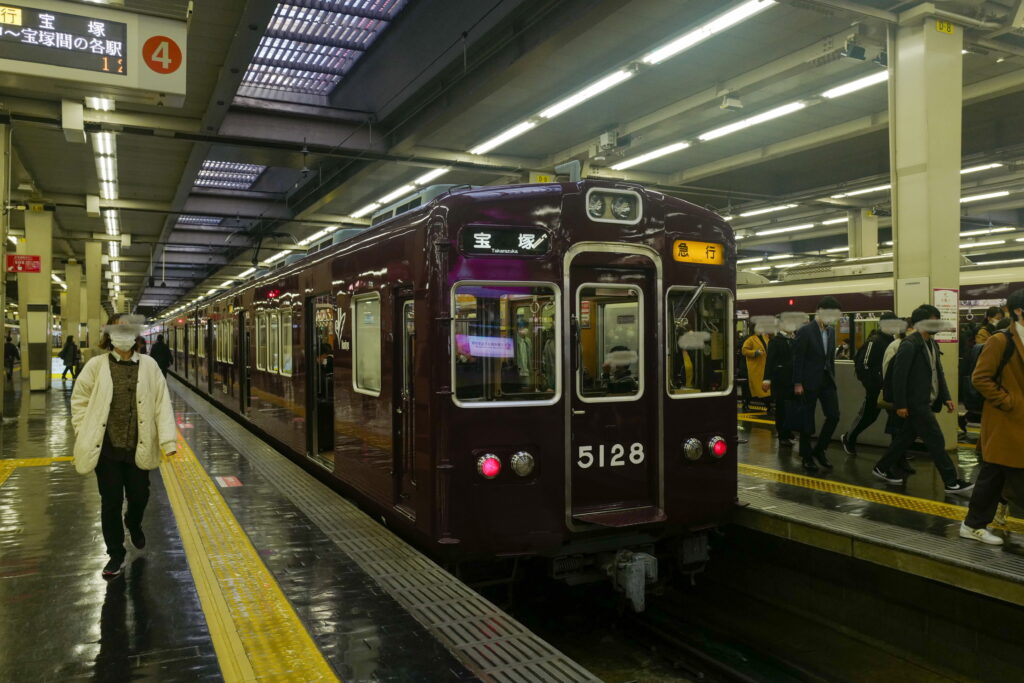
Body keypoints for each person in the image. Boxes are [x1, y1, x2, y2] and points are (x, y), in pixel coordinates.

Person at [70, 314, 177, 579]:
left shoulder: (150, 366)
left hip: (139, 446)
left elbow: (162, 403)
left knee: (140, 495)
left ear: (136, 335)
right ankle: (115, 554)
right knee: (111, 501)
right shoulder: (96, 365)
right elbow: (80, 399)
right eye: (119, 329)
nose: (124, 335)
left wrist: (168, 440)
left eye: (129, 330)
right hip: (106, 449)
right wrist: (84, 430)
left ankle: (134, 522)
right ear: (109, 334)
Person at [872, 305, 973, 493]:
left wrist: (946, 397)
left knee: (905, 438)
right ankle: (951, 481)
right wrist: (901, 404)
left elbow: (938, 373)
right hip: (915, 402)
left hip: (926, 400)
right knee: (936, 440)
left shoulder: (931, 344)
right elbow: (899, 377)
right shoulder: (909, 345)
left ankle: (881, 466)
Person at [961, 289, 1024, 545]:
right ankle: (973, 524)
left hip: (1017, 423)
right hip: (1006, 421)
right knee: (1003, 474)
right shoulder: (1001, 341)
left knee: (994, 476)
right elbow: (980, 378)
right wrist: (1007, 401)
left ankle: (973, 524)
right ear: (1019, 311)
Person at [840, 312, 904, 455]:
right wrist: (873, 384)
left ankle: (898, 452)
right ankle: (849, 438)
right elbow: (863, 364)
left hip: (889, 388)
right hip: (876, 388)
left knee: (895, 419)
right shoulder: (874, 341)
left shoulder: (893, 342)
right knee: (869, 416)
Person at [792, 297, 843, 471]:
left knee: (834, 415)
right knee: (808, 419)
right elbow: (798, 359)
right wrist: (797, 382)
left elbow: (830, 359)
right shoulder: (805, 331)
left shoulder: (831, 332)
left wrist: (833, 376)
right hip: (808, 381)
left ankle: (820, 450)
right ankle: (806, 456)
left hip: (826, 380)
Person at [763, 312, 805, 447]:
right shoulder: (775, 341)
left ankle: (788, 430)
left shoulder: (795, 339)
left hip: (793, 380)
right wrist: (767, 378)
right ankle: (782, 434)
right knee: (781, 408)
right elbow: (770, 361)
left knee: (791, 407)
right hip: (780, 380)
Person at [742, 319, 774, 414]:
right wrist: (755, 353)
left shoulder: (765, 337)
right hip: (755, 368)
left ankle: (768, 406)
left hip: (764, 366)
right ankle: (766, 406)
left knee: (762, 388)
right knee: (757, 389)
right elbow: (744, 350)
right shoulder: (750, 339)